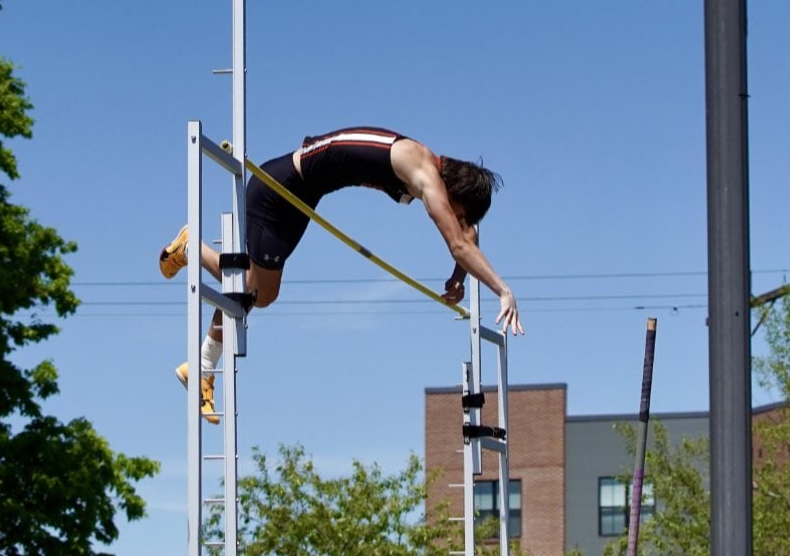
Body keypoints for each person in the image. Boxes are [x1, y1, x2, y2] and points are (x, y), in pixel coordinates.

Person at [159, 126, 522, 422]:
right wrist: (502, 290)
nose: (460, 222)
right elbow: (460, 243)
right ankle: (194, 279)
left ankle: (201, 353)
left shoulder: (432, 172)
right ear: (455, 194)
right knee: (254, 290)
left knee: (260, 292)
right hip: (278, 190)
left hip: (301, 196)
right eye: (460, 214)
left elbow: (467, 236)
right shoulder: (422, 169)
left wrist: (458, 278)